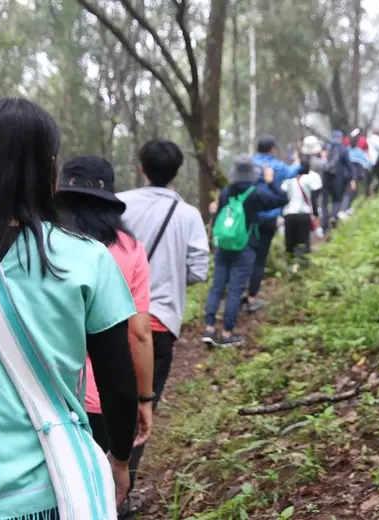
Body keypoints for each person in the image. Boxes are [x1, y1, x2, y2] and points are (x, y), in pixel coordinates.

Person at [0, 98, 138, 520]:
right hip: (46, 490)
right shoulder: (85, 259)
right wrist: (119, 458)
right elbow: (118, 384)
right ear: (50, 169)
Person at [117, 138, 209, 493]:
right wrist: (169, 275)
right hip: (159, 324)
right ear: (176, 172)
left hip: (112, 319)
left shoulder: (120, 204)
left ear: (141, 167)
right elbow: (199, 269)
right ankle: (124, 492)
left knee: (102, 400)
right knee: (143, 407)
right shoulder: (188, 215)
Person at [56, 155, 155, 455]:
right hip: (100, 398)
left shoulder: (39, 244)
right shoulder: (130, 249)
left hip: (45, 394)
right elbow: (139, 333)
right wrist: (144, 399)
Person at [203, 155, 288, 346]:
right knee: (235, 290)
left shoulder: (225, 192)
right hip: (245, 246)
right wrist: (271, 181)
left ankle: (209, 328)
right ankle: (226, 333)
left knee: (217, 286)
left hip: (223, 246)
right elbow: (282, 199)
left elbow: (218, 215)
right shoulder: (255, 193)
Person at [249, 135, 300, 313]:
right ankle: (252, 296)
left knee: (247, 254)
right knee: (260, 257)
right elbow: (294, 171)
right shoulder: (277, 166)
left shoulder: (250, 164)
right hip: (270, 217)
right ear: (272, 149)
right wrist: (297, 159)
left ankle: (240, 291)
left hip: (250, 216)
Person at [281, 153, 323, 261]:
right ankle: (302, 267)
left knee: (290, 244)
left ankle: (290, 266)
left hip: (289, 214)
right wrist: (316, 215)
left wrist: (280, 215)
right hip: (304, 214)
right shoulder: (310, 179)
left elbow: (282, 197)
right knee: (303, 244)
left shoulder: (287, 179)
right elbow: (314, 199)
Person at [321, 130, 353, 232]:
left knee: (325, 202)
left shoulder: (326, 147)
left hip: (325, 178)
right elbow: (349, 164)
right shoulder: (343, 148)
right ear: (340, 138)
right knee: (337, 200)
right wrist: (351, 178)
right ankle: (333, 217)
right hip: (337, 179)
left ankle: (324, 227)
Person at [343, 128, 371, 214]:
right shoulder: (361, 146)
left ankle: (347, 207)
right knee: (357, 188)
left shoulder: (347, 147)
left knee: (351, 189)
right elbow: (366, 160)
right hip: (358, 170)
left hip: (349, 170)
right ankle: (350, 206)